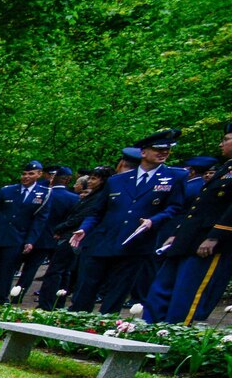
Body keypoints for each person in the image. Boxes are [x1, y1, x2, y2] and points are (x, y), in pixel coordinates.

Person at [72, 134, 184, 312]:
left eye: (167, 150)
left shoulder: (174, 177)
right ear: (144, 152)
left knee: (118, 289)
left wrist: (153, 221)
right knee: (87, 287)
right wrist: (84, 229)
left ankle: (103, 327)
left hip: (136, 243)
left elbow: (174, 208)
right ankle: (74, 322)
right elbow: (98, 211)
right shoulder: (117, 180)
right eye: (158, 149)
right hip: (104, 240)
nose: (163, 153)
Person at [149, 122, 232, 323]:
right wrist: (178, 233)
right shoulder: (226, 168)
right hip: (189, 237)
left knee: (187, 293)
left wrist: (215, 236)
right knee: (162, 288)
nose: (221, 144)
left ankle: (172, 339)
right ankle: (149, 330)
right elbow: (200, 206)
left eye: (226, 140)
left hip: (210, 241)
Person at [0, 160, 48, 302]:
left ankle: (0, 298)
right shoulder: (7, 190)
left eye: (31, 174)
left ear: (39, 174)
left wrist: (31, 241)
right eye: (24, 174)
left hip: (16, 238)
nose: (26, 177)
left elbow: (39, 220)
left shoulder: (43, 194)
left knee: (7, 271)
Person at [19, 166, 79, 304]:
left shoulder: (42, 193)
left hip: (39, 237)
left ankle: (18, 294)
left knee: (30, 269)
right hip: (59, 237)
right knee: (61, 271)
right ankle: (58, 300)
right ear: (67, 180)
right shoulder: (73, 198)